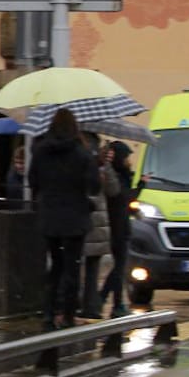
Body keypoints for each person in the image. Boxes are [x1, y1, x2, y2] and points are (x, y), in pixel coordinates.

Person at [29, 109, 100, 329]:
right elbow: (94, 186)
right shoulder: (82, 153)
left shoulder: (40, 151)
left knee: (55, 266)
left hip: (50, 217)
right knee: (72, 267)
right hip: (75, 218)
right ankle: (69, 314)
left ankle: (49, 314)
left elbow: (33, 181)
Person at [95, 141, 137, 316]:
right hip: (117, 227)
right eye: (127, 157)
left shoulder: (121, 175)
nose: (129, 161)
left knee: (119, 266)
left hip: (119, 226)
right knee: (119, 267)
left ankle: (112, 301)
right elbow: (123, 198)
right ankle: (109, 300)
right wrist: (141, 186)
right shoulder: (116, 176)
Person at [78, 135, 118, 319]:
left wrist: (105, 167)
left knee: (80, 266)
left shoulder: (79, 160)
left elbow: (113, 190)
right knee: (88, 269)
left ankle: (84, 305)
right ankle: (88, 306)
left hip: (87, 222)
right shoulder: (89, 164)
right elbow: (112, 190)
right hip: (93, 222)